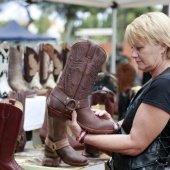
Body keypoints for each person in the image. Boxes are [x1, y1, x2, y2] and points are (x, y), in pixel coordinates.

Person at [67, 11, 170, 170]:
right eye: (133, 48)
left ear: (163, 45)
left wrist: (82, 136)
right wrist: (111, 125)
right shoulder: (157, 80)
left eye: (139, 48)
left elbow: (135, 144)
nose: (133, 55)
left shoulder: (163, 84)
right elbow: (138, 127)